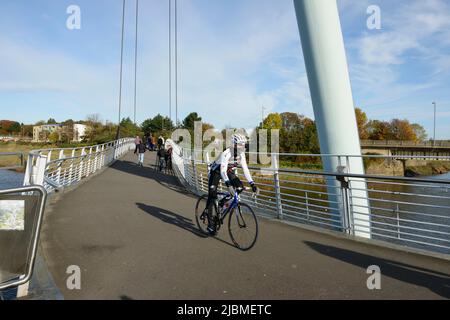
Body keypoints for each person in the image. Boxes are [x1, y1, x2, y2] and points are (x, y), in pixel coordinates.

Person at [204, 133, 258, 235]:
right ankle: (210, 223)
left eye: (244, 145)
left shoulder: (241, 154)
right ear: (234, 144)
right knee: (212, 194)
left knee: (240, 188)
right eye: (240, 145)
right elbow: (222, 171)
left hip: (229, 171)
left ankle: (222, 203)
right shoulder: (227, 153)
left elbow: (245, 169)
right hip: (216, 172)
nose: (242, 147)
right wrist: (228, 186)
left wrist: (252, 183)